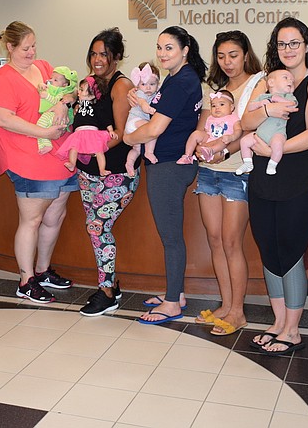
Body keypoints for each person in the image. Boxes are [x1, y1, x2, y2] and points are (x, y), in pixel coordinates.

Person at [241, 17, 308, 355]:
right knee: (268, 247)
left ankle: (293, 330)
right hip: (263, 178)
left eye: (295, 43)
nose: (288, 50)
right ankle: (278, 322)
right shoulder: (269, 82)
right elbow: (245, 122)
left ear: (306, 45)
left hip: (299, 178)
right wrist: (268, 106)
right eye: (282, 44)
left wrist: (271, 149)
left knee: (291, 251)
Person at [0, 21, 77, 304]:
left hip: (60, 154)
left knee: (55, 216)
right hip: (28, 157)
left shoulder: (44, 66)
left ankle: (42, 271)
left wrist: (64, 102)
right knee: (32, 219)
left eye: (34, 45)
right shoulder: (5, 77)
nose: (31, 52)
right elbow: (3, 119)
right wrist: (43, 132)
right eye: (25, 48)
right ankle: (26, 280)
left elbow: (71, 89)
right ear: (10, 47)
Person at [124, 25, 206, 324]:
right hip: (170, 163)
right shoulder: (177, 78)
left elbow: (156, 128)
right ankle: (176, 292)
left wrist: (129, 139)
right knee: (170, 235)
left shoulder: (181, 81)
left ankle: (172, 303)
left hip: (169, 166)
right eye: (159, 48)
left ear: (185, 50)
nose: (162, 54)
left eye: (169, 48)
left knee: (171, 237)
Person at [191, 30, 264, 336]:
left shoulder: (258, 83)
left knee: (232, 241)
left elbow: (249, 129)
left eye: (233, 55)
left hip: (238, 173)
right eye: (221, 56)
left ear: (246, 54)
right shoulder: (215, 87)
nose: (227, 62)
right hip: (208, 171)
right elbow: (203, 126)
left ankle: (238, 311)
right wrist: (199, 146)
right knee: (215, 239)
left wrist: (225, 151)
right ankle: (225, 303)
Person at [75, 28, 140, 317]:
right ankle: (108, 284)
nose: (97, 59)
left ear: (117, 57)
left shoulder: (120, 85)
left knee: (97, 227)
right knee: (95, 228)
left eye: (104, 54)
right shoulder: (89, 84)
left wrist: (89, 144)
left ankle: (107, 292)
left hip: (115, 172)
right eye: (94, 53)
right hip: (87, 171)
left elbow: (123, 133)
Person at [235, 70, 298, 176]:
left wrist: (276, 99)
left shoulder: (289, 97)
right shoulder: (263, 96)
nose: (290, 81)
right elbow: (250, 107)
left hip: (277, 133)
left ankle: (273, 163)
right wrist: (261, 104)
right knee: (244, 141)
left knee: (278, 144)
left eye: (292, 80)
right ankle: (247, 162)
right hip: (260, 133)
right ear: (271, 82)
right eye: (286, 78)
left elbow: (292, 105)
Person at [56, 76, 117, 174]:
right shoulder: (77, 105)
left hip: (92, 131)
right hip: (78, 132)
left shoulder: (96, 106)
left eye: (81, 90)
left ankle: (102, 169)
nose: (78, 92)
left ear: (92, 95)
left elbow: (104, 119)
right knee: (73, 147)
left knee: (99, 150)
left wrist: (111, 130)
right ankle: (72, 163)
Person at [177, 90, 241, 165]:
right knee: (196, 134)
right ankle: (188, 155)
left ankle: (211, 151)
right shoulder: (210, 118)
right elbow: (206, 131)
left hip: (223, 141)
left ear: (231, 107)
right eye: (213, 106)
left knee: (222, 140)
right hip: (209, 139)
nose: (217, 108)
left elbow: (238, 130)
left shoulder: (233, 117)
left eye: (222, 104)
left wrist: (232, 137)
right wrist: (201, 141)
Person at [124, 62, 160, 175]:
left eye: (152, 84)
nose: (148, 87)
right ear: (138, 85)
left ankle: (129, 163)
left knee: (137, 149)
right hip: (134, 122)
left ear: (158, 84)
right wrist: (147, 108)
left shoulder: (152, 94)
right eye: (144, 84)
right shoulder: (140, 93)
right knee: (152, 129)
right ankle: (149, 152)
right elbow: (142, 102)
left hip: (133, 126)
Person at [36, 66, 78, 154]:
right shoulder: (52, 88)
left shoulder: (63, 92)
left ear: (64, 85)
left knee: (40, 126)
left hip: (57, 116)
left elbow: (59, 102)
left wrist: (47, 96)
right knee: (42, 126)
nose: (51, 81)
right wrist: (41, 86)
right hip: (51, 114)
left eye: (55, 80)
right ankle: (44, 144)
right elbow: (42, 91)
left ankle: (46, 145)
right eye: (51, 78)